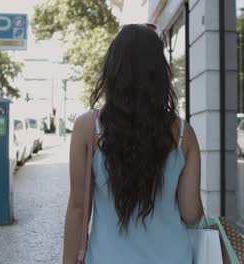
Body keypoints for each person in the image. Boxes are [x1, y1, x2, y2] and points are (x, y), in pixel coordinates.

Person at [63, 24, 203, 264]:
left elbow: (78, 208)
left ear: (113, 71)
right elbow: (191, 213)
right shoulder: (183, 134)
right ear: (160, 74)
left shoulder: (88, 128)